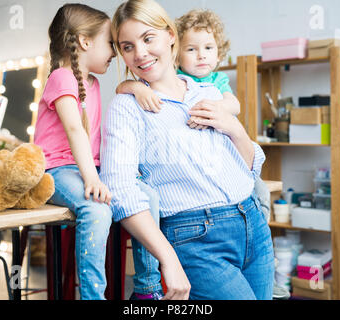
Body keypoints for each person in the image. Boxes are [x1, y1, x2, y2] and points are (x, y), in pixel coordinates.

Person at [101, 0, 274, 300]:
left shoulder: (209, 93)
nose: (139, 53)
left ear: (170, 36)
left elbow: (249, 166)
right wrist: (167, 259)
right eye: (127, 46)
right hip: (195, 239)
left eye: (147, 38)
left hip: (254, 224)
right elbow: (121, 190)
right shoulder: (127, 107)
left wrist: (235, 128)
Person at [33, 3, 159, 300]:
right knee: (96, 209)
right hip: (58, 170)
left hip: (89, 169)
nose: (115, 52)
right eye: (111, 44)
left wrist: (133, 86)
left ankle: (147, 287)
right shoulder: (61, 78)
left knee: (147, 196)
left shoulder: (94, 83)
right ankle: (92, 296)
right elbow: (76, 130)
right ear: (85, 42)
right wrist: (91, 178)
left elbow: (98, 134)